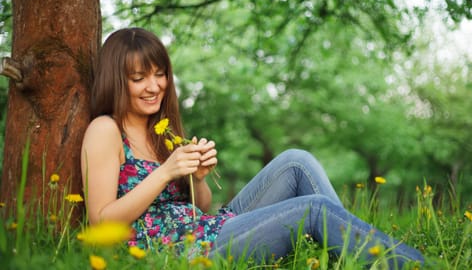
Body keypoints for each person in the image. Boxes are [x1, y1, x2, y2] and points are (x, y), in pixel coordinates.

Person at [81, 27, 424, 268]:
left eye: (160, 74)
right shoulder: (105, 130)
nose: (154, 86)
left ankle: (347, 255)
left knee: (296, 162)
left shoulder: (162, 130)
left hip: (203, 230)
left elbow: (199, 206)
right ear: (117, 79)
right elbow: (100, 221)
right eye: (139, 78)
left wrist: (198, 179)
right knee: (314, 210)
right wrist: (167, 171)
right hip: (178, 254)